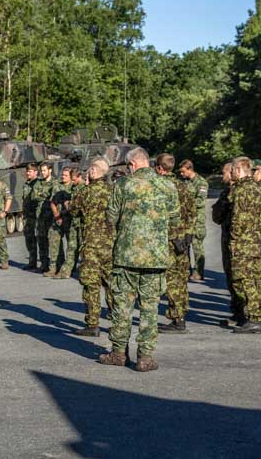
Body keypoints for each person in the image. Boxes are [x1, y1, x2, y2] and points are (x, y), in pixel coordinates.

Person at [97, 148, 178, 372]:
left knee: (122, 307)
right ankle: (145, 356)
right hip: (155, 257)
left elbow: (111, 217)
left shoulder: (123, 185)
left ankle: (118, 353)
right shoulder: (168, 185)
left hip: (126, 256)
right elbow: (175, 218)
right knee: (150, 308)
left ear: (132, 164)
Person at [71, 158, 113, 337]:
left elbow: (73, 210)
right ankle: (117, 322)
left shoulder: (85, 192)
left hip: (91, 245)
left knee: (91, 285)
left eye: (89, 171)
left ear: (94, 172)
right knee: (112, 285)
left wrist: (85, 186)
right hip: (112, 245)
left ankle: (93, 323)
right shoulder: (115, 191)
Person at [229, 156, 261, 333]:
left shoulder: (241, 190)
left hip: (243, 242)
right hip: (255, 239)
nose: (231, 173)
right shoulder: (258, 188)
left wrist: (234, 240)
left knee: (244, 280)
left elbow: (238, 220)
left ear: (239, 170)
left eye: (232, 169)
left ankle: (253, 318)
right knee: (257, 279)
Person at [158, 153, 196, 334]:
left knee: (171, 280)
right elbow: (192, 212)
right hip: (182, 239)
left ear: (159, 168)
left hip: (170, 240)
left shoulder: (162, 187)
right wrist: (188, 233)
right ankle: (180, 315)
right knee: (181, 280)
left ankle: (177, 319)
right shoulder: (183, 186)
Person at [209, 162, 240, 324]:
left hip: (238, 242)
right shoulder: (227, 192)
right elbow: (216, 217)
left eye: (224, 173)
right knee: (231, 277)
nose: (223, 176)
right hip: (228, 239)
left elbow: (218, 214)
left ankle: (244, 313)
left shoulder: (236, 193)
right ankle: (237, 311)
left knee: (239, 278)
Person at [178, 160, 208, 282]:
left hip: (197, 220)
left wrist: (185, 205)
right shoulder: (183, 182)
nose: (181, 174)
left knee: (197, 246)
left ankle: (198, 272)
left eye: (183, 171)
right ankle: (186, 270)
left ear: (190, 169)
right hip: (186, 220)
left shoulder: (201, 183)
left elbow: (200, 201)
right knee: (185, 246)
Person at [46, 167, 78, 279]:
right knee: (54, 242)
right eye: (62, 175)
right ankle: (54, 267)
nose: (63, 177)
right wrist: (57, 215)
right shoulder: (57, 186)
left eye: (65, 175)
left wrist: (63, 213)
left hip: (70, 220)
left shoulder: (74, 187)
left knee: (72, 245)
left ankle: (70, 267)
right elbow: (52, 202)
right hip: (58, 218)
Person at [33, 163, 56, 273]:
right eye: (41, 170)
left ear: (50, 170)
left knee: (52, 242)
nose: (43, 172)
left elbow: (53, 197)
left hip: (51, 216)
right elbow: (34, 196)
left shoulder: (55, 183)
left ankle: (54, 266)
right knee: (41, 241)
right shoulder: (38, 182)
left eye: (45, 170)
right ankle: (44, 265)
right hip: (41, 216)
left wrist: (42, 195)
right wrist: (46, 196)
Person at [21, 164, 41, 270]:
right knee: (29, 239)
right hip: (27, 216)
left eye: (30, 171)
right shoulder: (26, 184)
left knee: (39, 240)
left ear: (36, 172)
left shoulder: (38, 184)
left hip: (35, 216)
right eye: (27, 171)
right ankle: (32, 262)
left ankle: (43, 264)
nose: (28, 173)